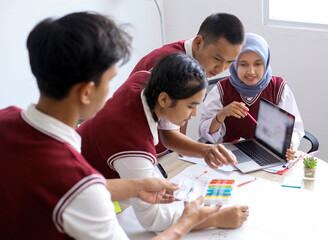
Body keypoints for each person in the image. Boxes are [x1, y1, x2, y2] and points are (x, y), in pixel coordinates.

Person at [0, 12, 224, 240]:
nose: (112, 92)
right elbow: (82, 192)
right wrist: (187, 221)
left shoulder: (5, 119)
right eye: (109, 80)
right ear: (86, 92)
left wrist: (136, 187)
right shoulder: (78, 185)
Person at [77, 52, 249, 232]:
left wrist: (205, 151)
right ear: (164, 99)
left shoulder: (144, 81)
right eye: (191, 105)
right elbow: (152, 220)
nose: (194, 114)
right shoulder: (132, 144)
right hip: (81, 199)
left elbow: (167, 133)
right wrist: (215, 218)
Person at [130, 12, 246, 157]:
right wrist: (205, 151)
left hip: (163, 150)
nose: (221, 69)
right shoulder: (172, 66)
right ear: (198, 43)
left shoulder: (199, 61)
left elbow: (178, 124)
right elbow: (169, 136)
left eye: (230, 62)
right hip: (140, 150)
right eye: (217, 58)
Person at [199, 33, 305, 159]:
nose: (251, 71)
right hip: (232, 158)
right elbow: (206, 134)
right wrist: (223, 113)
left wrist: (290, 146)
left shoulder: (278, 88)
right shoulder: (221, 89)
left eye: (258, 64)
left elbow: (295, 129)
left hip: (268, 158)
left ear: (266, 63)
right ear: (234, 63)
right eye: (243, 64)